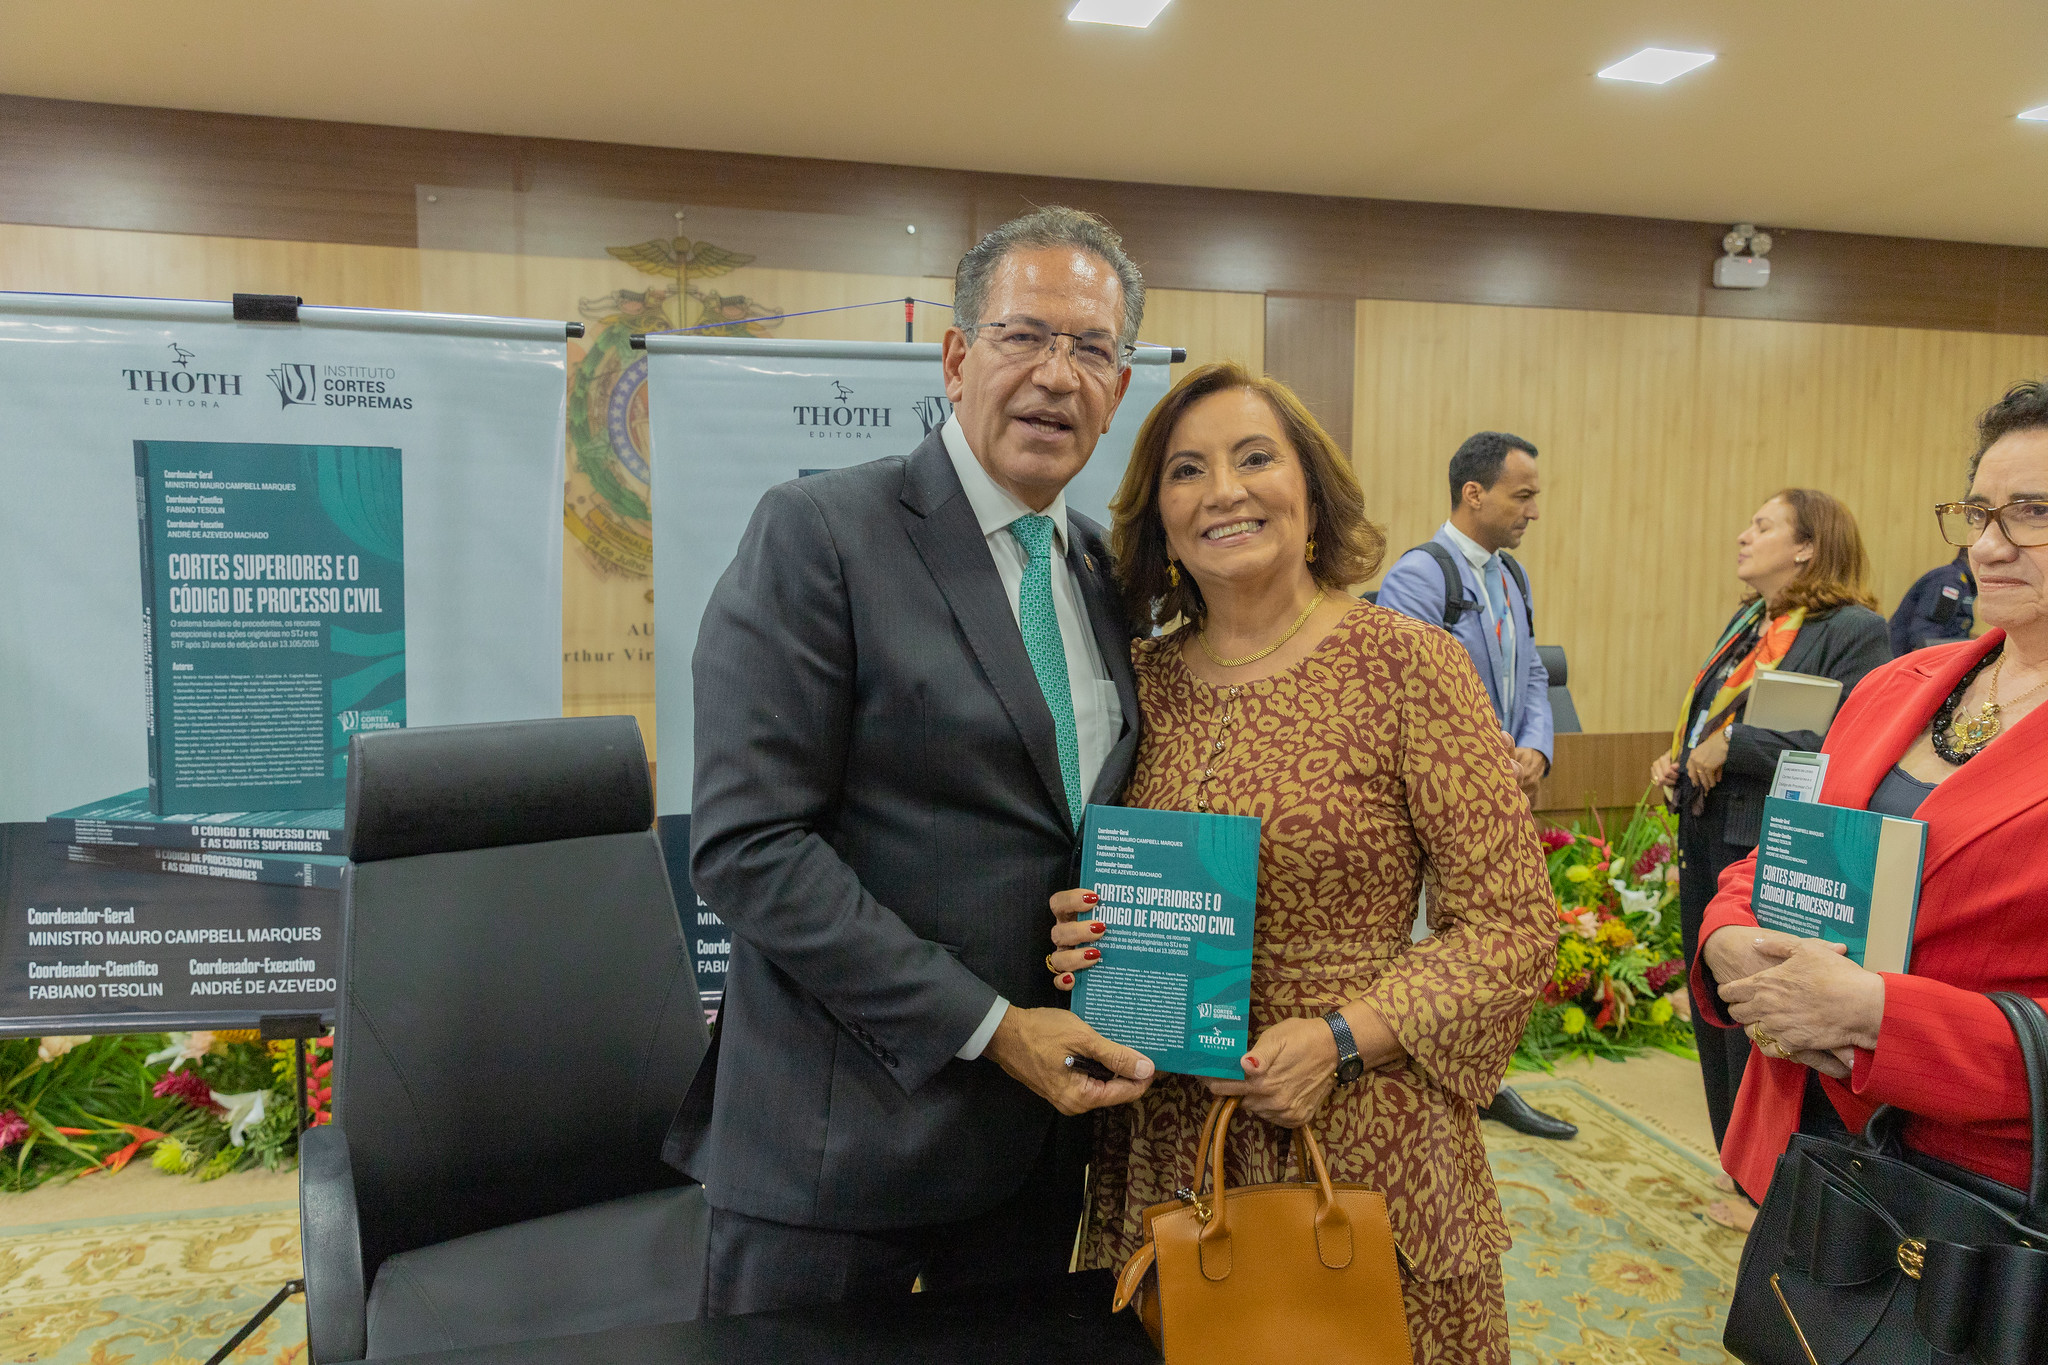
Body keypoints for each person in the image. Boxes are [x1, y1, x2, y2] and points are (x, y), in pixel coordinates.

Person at [669, 207, 1158, 1315]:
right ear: (953, 357)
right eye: (1021, 335)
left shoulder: (1096, 570)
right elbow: (750, 849)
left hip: (1033, 1154)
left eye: (1088, 348)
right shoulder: (821, 533)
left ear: (1119, 388)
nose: (1053, 374)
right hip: (841, 1146)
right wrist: (991, 1030)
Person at [1056, 363, 1555, 1362]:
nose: (1224, 491)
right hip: (1168, 1131)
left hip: (1360, 1130)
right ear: (1159, 515)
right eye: (1187, 471)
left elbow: (1511, 922)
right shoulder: (1133, 681)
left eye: (1253, 459)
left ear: (1310, 491)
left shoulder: (1407, 664)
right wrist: (1082, 932)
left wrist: (1341, 1037)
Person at [1692, 378, 2048, 1214]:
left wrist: (1882, 1015)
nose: (1989, 548)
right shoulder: (1897, 684)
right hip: (1806, 1139)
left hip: (1968, 1188)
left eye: (2031, 512)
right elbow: (1783, 852)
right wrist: (1726, 934)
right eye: (1977, 514)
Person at [1646, 488, 1890, 1230]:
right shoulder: (1754, 622)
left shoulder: (1854, 630)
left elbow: (1847, 740)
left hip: (1771, 840)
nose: (1743, 535)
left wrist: (1733, 747)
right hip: (1707, 825)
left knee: (1769, 1020)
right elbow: (1719, 714)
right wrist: (1682, 753)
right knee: (1716, 1004)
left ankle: (1772, 1185)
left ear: (1808, 546)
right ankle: (1739, 1165)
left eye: (1763, 525)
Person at [1375, 430, 1575, 1143]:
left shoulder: (1511, 577)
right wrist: (1491, 756)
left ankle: (1484, 1078)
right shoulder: (1420, 576)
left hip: (1503, 793)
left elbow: (1530, 677)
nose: (1533, 511)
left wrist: (1535, 749)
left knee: (1498, 944)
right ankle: (1434, 1084)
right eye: (1523, 496)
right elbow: (1402, 700)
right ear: (1474, 493)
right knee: (1442, 951)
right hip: (1443, 807)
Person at [1889, 547, 1976, 655]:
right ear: (1973, 558)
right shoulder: (1950, 581)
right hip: (1909, 660)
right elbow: (1927, 635)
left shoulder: (1964, 582)